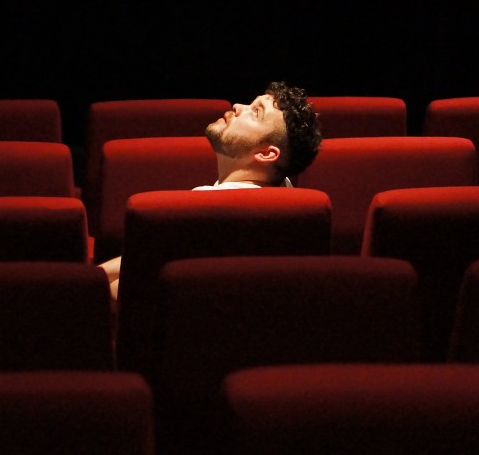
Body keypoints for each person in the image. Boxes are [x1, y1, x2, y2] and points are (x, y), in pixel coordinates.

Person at [99, 80, 322, 297]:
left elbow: (136, 291)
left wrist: (89, 286)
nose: (238, 106)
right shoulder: (287, 194)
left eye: (256, 113)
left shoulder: (201, 208)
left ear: (266, 154)